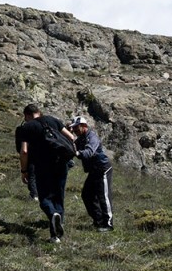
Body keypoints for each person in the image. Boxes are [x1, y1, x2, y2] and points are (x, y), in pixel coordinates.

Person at [16, 104, 76, 242]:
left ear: (27, 115)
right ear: (39, 112)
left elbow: (24, 151)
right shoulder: (53, 120)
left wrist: (24, 170)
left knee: (45, 198)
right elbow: (71, 138)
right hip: (61, 164)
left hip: (42, 166)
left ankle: (53, 214)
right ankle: (57, 231)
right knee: (58, 195)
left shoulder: (27, 127)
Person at [71, 115, 113, 231]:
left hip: (102, 169)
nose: (75, 131)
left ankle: (108, 224)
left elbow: (89, 152)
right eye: (73, 129)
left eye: (77, 128)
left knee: (103, 196)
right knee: (87, 195)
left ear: (84, 126)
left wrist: (78, 153)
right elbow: (73, 146)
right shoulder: (80, 139)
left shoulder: (92, 137)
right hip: (94, 170)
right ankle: (98, 221)